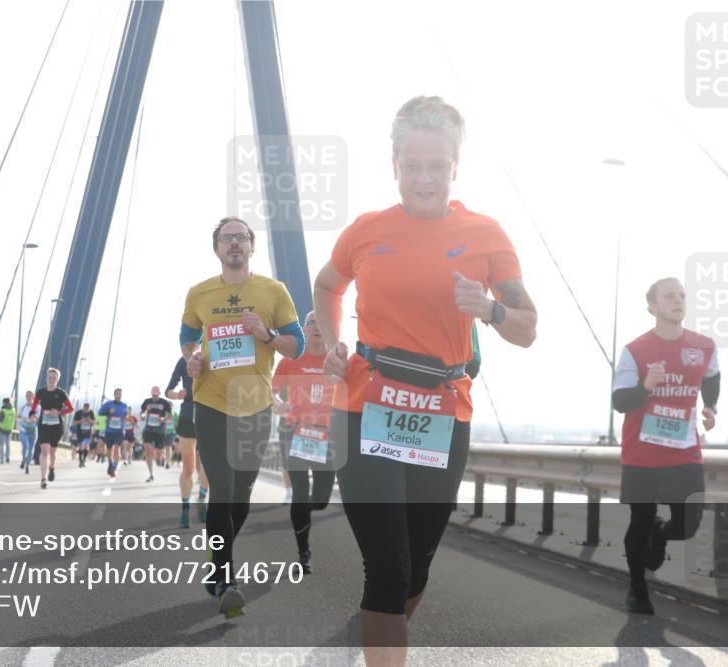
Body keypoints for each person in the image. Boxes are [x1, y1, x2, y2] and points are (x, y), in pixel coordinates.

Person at [312, 96, 537, 663]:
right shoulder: (366, 230)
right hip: (366, 408)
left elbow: (528, 328)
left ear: (455, 168)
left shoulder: (486, 234)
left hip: (442, 413)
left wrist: (488, 310)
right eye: (411, 166)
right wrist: (335, 342)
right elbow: (326, 286)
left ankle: (382, 624)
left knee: (415, 570)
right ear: (394, 167)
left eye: (436, 166)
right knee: (386, 571)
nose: (424, 178)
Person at [181, 216, 304, 617]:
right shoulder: (199, 293)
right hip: (212, 402)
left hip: (256, 405)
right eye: (226, 238)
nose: (234, 243)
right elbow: (187, 334)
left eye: (241, 237)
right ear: (216, 247)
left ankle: (218, 562)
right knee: (222, 488)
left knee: (242, 496)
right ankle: (224, 578)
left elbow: (297, 346)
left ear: (252, 246)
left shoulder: (273, 290)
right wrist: (192, 358)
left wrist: (266, 335)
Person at [613, 277, 720, 615]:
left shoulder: (703, 345)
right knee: (640, 518)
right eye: (670, 296)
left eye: (682, 296)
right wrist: (646, 386)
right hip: (642, 451)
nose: (678, 301)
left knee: (689, 522)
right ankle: (637, 590)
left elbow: (712, 376)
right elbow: (619, 400)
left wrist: (710, 406)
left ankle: (661, 533)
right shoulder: (635, 350)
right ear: (653, 307)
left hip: (684, 449)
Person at [271, 311, 336, 574]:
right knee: (300, 492)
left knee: (320, 499)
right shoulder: (290, 361)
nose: (317, 327)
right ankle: (303, 552)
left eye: (321, 323)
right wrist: (278, 405)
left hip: (327, 435)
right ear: (304, 329)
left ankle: (306, 508)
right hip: (295, 431)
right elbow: (270, 391)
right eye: (311, 323)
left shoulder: (338, 360)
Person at [167, 356, 210, 522]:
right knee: (189, 468)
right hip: (188, 415)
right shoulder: (185, 359)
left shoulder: (215, 352)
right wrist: (177, 395)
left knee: (208, 464)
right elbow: (168, 389)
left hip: (211, 413)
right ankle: (185, 509)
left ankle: (201, 498)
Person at [29, 368, 75, 489]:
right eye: (49, 377)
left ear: (57, 380)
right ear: (46, 378)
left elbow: (71, 408)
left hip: (57, 426)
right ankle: (43, 479)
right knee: (44, 451)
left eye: (54, 378)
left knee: (52, 452)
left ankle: (52, 467)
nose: (51, 379)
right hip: (44, 424)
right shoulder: (40, 392)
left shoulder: (61, 393)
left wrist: (59, 412)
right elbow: (34, 407)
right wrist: (32, 414)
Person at [141, 386, 173, 484]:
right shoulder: (147, 401)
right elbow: (142, 412)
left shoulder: (164, 402)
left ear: (159, 394)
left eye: (156, 394)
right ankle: (151, 474)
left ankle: (160, 459)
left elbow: (170, 414)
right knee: (148, 450)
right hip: (149, 429)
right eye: (153, 394)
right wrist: (142, 416)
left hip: (160, 431)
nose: (154, 396)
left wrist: (163, 419)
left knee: (158, 456)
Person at [98, 389, 129, 478]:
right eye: (117, 393)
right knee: (109, 450)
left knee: (117, 449)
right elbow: (100, 414)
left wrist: (125, 417)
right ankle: (110, 464)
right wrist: (108, 412)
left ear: (121, 395)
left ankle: (114, 467)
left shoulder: (124, 405)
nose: (118, 395)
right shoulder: (108, 404)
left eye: (120, 394)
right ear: (114, 394)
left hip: (120, 431)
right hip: (109, 431)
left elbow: (125, 415)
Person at [19, 390, 37, 473]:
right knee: (25, 445)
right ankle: (24, 459)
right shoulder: (23, 407)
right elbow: (19, 417)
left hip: (33, 431)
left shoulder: (37, 407)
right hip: (23, 429)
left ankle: (28, 465)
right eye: (27, 396)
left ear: (33, 397)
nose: (28, 397)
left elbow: (38, 418)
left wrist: (34, 419)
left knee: (31, 448)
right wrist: (21, 419)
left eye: (30, 395)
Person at [75, 403, 96, 467]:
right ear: (83, 407)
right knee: (80, 446)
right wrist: (81, 420)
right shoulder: (78, 413)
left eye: (88, 409)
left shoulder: (91, 413)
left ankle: (83, 460)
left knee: (86, 446)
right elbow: (75, 422)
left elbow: (94, 422)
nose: (87, 410)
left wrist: (90, 421)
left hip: (88, 432)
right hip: (80, 431)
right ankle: (80, 460)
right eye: (85, 408)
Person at [0, 397, 16, 464]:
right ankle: (7, 458)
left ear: (4, 402)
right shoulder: (13, 410)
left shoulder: (3, 411)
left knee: (2, 445)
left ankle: (2, 460)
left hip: (2, 429)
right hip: (9, 429)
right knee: (8, 445)